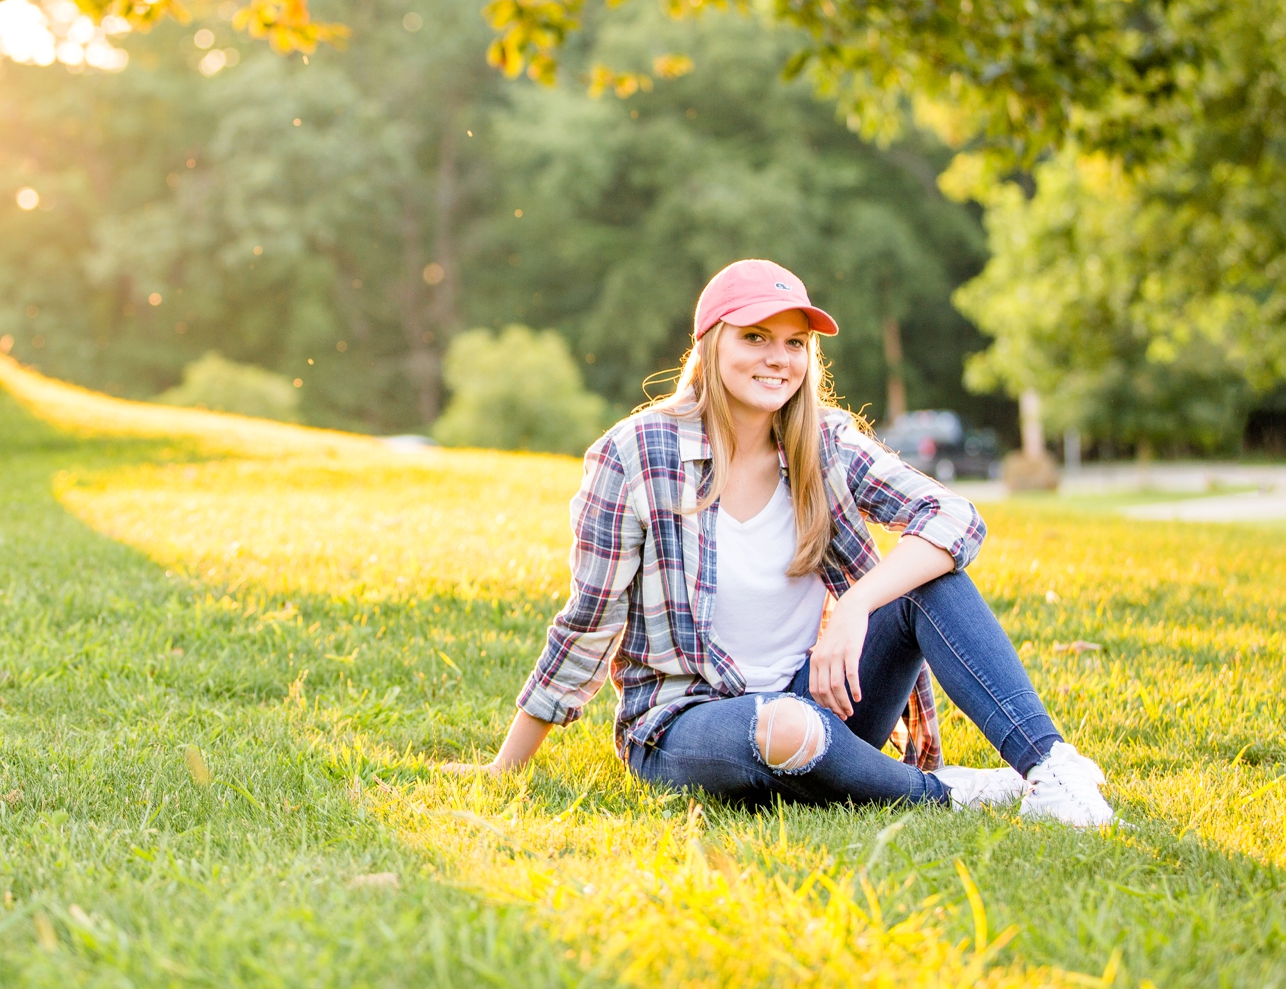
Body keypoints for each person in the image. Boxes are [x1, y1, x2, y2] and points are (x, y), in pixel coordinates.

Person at [451, 259, 1113, 825]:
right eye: (756, 336)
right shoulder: (635, 455)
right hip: (687, 720)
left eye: (795, 342)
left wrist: (855, 606)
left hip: (820, 697)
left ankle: (1050, 767)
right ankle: (947, 792)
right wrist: (504, 768)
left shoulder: (825, 442)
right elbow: (588, 624)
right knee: (782, 725)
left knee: (926, 581)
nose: (778, 356)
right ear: (711, 343)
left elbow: (953, 518)